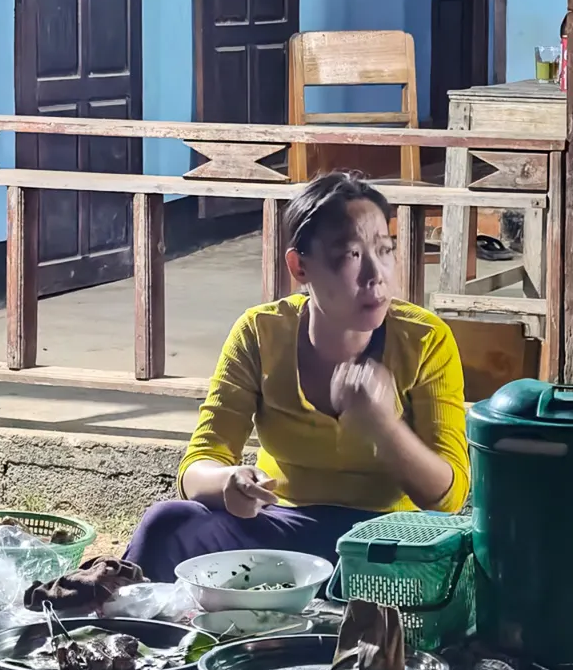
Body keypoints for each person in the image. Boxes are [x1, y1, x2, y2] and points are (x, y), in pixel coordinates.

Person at [123, 171, 469, 580]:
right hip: (283, 527)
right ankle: (129, 635)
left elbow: (447, 497)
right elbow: (200, 464)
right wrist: (229, 483)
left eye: (385, 249)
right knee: (168, 525)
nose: (376, 274)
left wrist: (385, 428)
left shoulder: (425, 339)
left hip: (386, 544)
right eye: (351, 255)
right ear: (299, 267)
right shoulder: (260, 332)